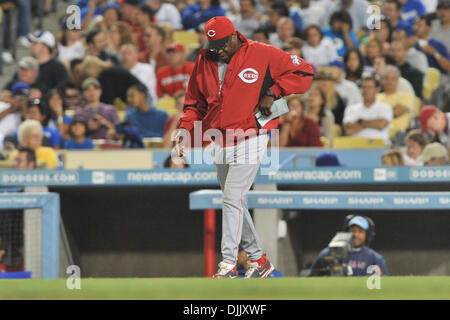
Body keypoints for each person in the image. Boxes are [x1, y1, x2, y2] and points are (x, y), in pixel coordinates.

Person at [175, 16, 315, 278]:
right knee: (235, 201)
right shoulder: (205, 59)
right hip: (220, 139)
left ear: (234, 36)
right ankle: (260, 260)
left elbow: (305, 72)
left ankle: (228, 264)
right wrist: (185, 131)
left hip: (252, 136)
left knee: (231, 198)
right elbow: (194, 102)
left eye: (221, 44)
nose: (217, 49)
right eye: (212, 43)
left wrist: (274, 91)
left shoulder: (262, 53)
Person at [309, 215, 389, 276]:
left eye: (360, 231)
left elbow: (387, 285)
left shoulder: (375, 258)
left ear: (367, 235)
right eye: (353, 230)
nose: (356, 234)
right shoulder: (329, 253)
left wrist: (380, 277)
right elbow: (311, 277)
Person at [343, 77, 393, 145]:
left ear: (377, 90)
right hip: (356, 147)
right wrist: (373, 123)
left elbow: (381, 124)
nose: (366, 90)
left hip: (379, 146)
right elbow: (348, 131)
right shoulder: (351, 108)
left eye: (369, 88)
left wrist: (360, 122)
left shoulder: (386, 107)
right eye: (364, 87)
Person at [28, 30, 71, 95]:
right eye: (32, 42)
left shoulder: (58, 67)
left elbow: (66, 89)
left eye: (35, 43)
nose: (32, 45)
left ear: (46, 46)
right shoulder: (28, 65)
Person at [377, 65, 414, 138]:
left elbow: (395, 112)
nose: (389, 81)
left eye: (393, 78)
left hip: (398, 135)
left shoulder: (406, 96)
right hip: (376, 132)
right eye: (386, 78)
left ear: (397, 80)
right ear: (381, 80)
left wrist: (376, 113)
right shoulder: (376, 96)